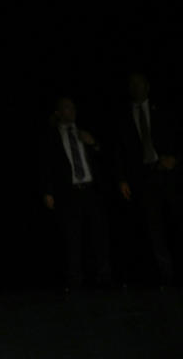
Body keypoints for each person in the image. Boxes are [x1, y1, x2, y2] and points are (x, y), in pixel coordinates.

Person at [39, 96, 112, 289]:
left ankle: (103, 276)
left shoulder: (84, 131)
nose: (70, 111)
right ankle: (75, 280)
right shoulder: (52, 136)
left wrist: (93, 143)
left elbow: (105, 156)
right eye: (66, 108)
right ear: (58, 112)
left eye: (72, 107)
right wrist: (48, 191)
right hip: (69, 192)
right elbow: (47, 165)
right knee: (72, 237)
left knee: (98, 234)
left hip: (90, 189)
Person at [115, 72, 181, 285]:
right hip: (143, 176)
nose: (135, 88)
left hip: (166, 172)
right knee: (154, 227)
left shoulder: (163, 109)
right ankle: (166, 275)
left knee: (176, 219)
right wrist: (122, 178)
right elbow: (119, 151)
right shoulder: (124, 115)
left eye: (139, 83)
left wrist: (174, 158)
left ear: (147, 86)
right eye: (131, 84)